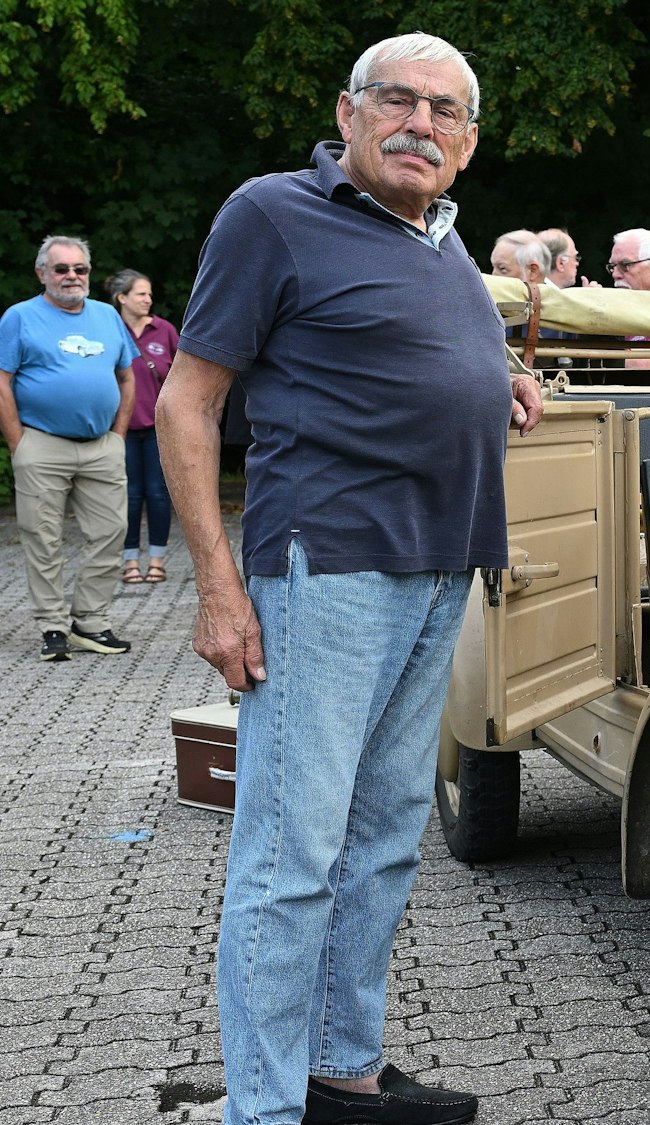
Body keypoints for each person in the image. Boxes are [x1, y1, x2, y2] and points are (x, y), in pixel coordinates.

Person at [156, 31, 541, 1125]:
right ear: (347, 112)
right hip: (325, 570)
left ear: (469, 142)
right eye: (397, 99)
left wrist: (500, 378)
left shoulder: (443, 241)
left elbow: (399, 351)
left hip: (439, 567)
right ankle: (265, 1109)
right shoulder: (273, 213)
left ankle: (340, 1071)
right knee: (293, 856)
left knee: (379, 844)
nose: (420, 123)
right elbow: (189, 400)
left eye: (445, 110)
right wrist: (219, 589)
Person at [0, 236, 137, 662]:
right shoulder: (19, 317)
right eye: (61, 269)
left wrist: (118, 435)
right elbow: (2, 382)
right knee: (43, 538)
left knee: (111, 532)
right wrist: (19, 443)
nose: (72, 276)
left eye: (80, 269)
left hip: (101, 446)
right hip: (41, 443)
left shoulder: (107, 315)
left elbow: (127, 377)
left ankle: (90, 622)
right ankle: (53, 626)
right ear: (41, 273)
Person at [107, 269, 178, 584]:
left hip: (158, 428)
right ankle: (130, 561)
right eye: (141, 294)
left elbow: (181, 378)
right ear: (122, 298)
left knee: (159, 494)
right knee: (130, 495)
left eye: (150, 293)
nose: (148, 299)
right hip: (119, 427)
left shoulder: (164, 330)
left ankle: (157, 561)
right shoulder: (109, 329)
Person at [608, 229, 650, 368]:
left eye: (625, 265)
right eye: (612, 266)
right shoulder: (617, 312)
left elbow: (641, 365)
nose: (615, 275)